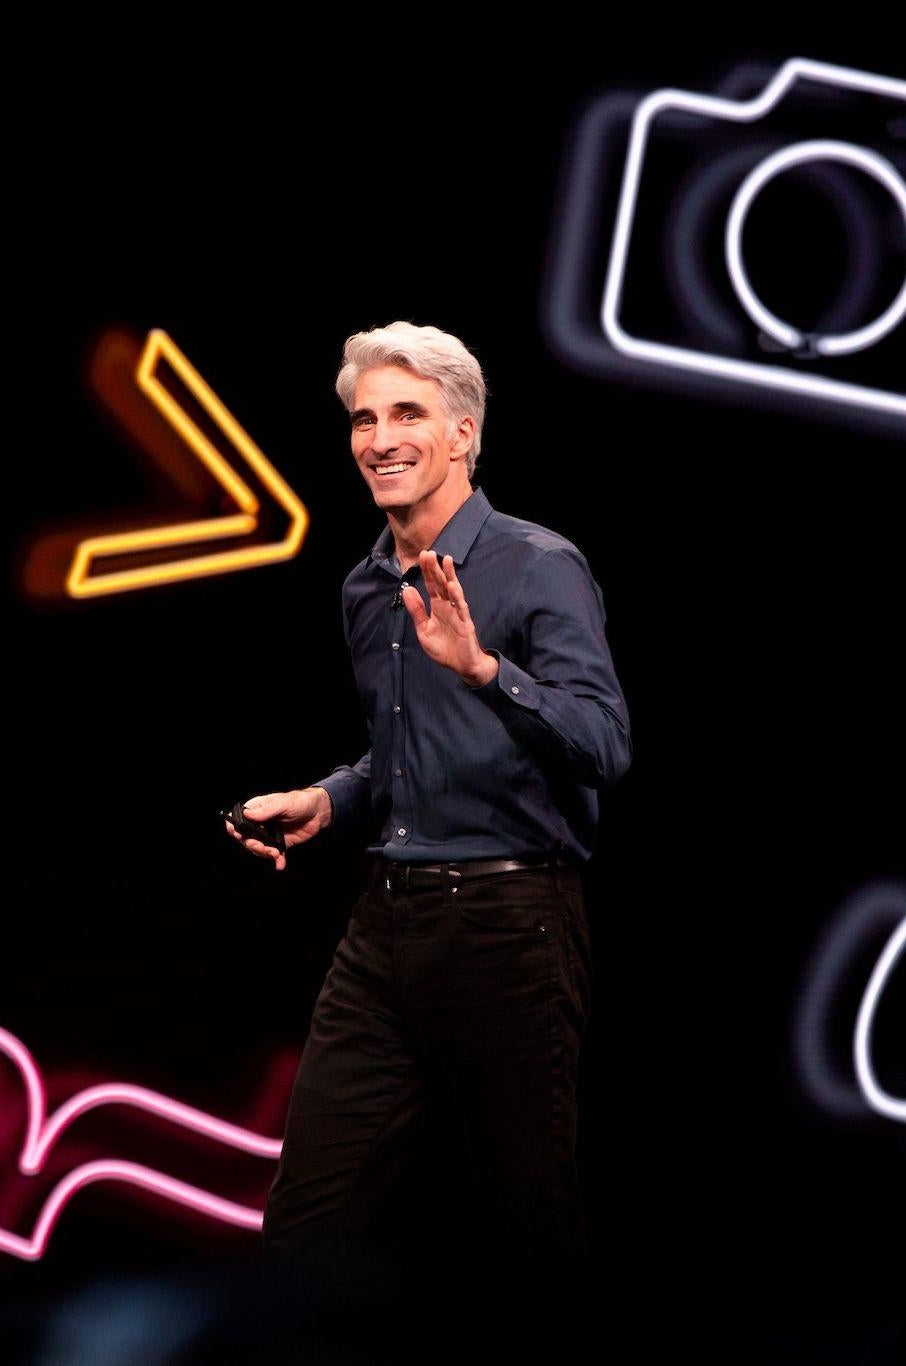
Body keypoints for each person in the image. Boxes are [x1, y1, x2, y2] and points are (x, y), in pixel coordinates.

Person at [226, 321, 630, 1271]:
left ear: (463, 433)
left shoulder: (538, 565)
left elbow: (606, 745)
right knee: (307, 1220)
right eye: (364, 419)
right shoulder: (366, 587)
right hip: (386, 923)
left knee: (524, 1227)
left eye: (407, 412)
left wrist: (488, 670)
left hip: (509, 918)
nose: (380, 438)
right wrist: (328, 798)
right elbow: (401, 755)